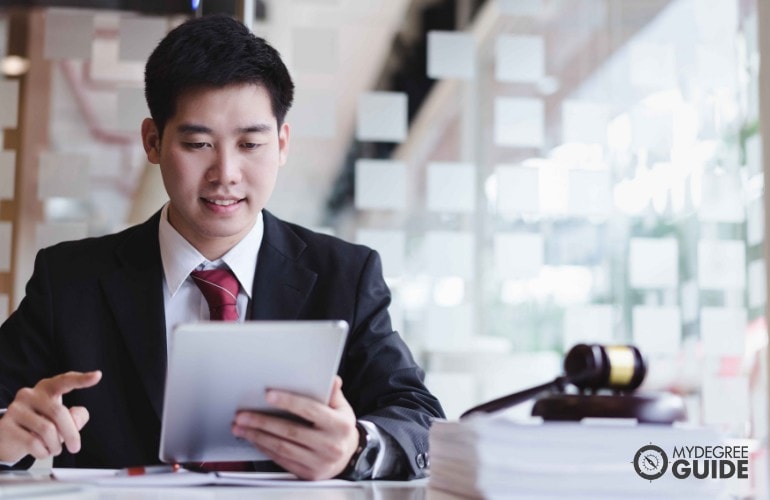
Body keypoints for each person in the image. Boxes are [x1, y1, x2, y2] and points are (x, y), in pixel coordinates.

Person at [0, 14, 444, 480]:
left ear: (283, 144)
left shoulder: (344, 274)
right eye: (198, 143)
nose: (225, 173)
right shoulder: (72, 280)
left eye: (251, 144)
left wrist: (355, 448)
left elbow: (421, 420)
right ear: (153, 141)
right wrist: (8, 435)